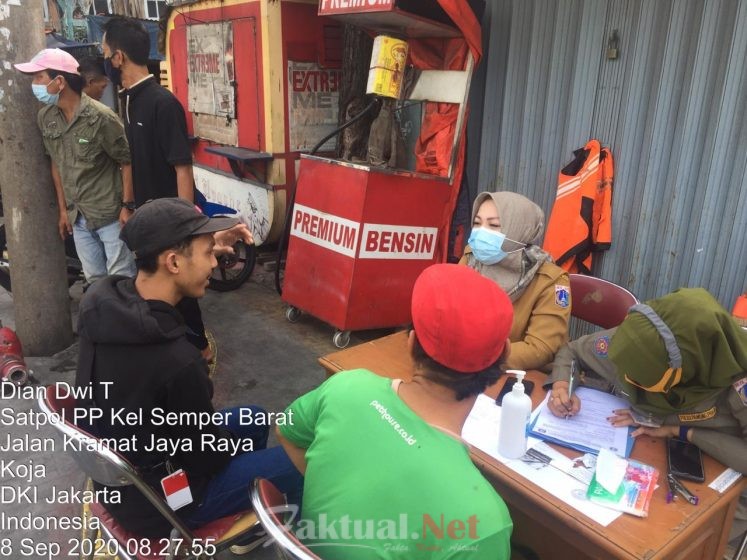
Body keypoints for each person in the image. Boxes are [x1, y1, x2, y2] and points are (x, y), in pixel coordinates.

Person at [74, 198, 302, 538]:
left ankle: (246, 522)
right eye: (208, 253)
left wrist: (203, 247)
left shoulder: (102, 307)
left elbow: (165, 297)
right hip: (166, 503)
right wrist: (228, 445)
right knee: (300, 462)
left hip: (128, 476)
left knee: (253, 418)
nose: (215, 262)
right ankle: (284, 535)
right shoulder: (178, 361)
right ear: (173, 262)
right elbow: (207, 458)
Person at [277, 264, 514, 559]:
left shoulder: (346, 386)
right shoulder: (484, 524)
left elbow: (286, 430)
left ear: (411, 343)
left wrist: (329, 491)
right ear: (504, 356)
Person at [547, 287, 747, 549]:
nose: (630, 383)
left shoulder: (737, 381)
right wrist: (562, 386)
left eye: (644, 381)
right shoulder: (639, 342)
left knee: (667, 542)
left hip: (720, 483)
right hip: (643, 451)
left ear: (687, 367)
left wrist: (681, 431)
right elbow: (572, 352)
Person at [101, 16, 211, 358]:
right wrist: (128, 204)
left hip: (169, 221)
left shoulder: (163, 103)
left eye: (105, 53)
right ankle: (170, 348)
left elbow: (182, 167)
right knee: (155, 289)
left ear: (118, 57)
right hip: (143, 217)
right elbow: (131, 160)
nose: (104, 60)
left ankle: (201, 350)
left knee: (182, 291)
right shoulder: (127, 100)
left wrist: (185, 226)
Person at [14, 48, 135, 283]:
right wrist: (63, 210)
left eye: (39, 77)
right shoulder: (46, 118)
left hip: (110, 214)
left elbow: (126, 160)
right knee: (95, 280)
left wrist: (127, 206)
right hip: (78, 217)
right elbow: (56, 163)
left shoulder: (101, 117)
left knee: (121, 280)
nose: (34, 85)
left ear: (59, 81)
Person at [461, 191, 570, 371]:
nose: (481, 233)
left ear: (520, 230)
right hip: (462, 365)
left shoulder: (551, 281)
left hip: (517, 373)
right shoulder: (472, 259)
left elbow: (541, 348)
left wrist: (478, 357)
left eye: (493, 225)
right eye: (477, 223)